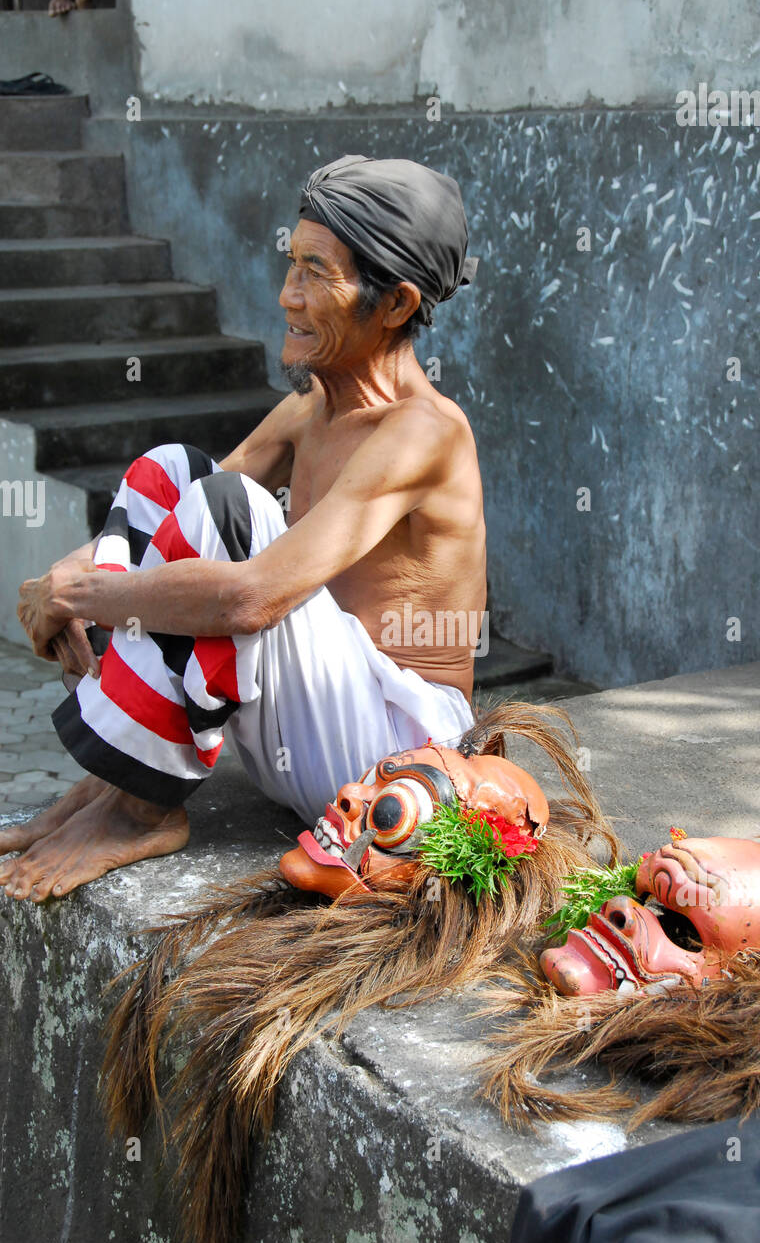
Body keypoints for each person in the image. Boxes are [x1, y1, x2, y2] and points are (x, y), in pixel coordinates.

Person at [0, 155, 484, 903]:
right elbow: (169, 514)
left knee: (227, 511)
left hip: (394, 762)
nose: (288, 295)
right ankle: (109, 784)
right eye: (291, 265)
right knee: (171, 470)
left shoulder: (426, 431)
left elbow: (252, 598)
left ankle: (139, 811)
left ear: (394, 304)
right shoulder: (310, 409)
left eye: (316, 273)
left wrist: (90, 593)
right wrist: (53, 585)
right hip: (309, 731)